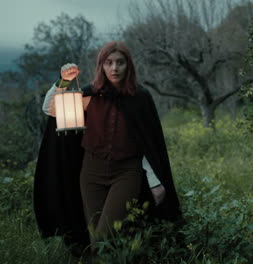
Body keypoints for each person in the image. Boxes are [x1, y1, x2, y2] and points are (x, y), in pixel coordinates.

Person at [33, 41, 182, 256]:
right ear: (101, 66)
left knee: (103, 239)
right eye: (109, 63)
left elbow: (147, 145)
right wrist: (63, 82)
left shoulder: (140, 98)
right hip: (91, 174)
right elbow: (50, 108)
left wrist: (155, 180)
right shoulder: (89, 96)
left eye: (120, 63)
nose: (114, 68)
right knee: (95, 238)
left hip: (126, 173)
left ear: (128, 65)